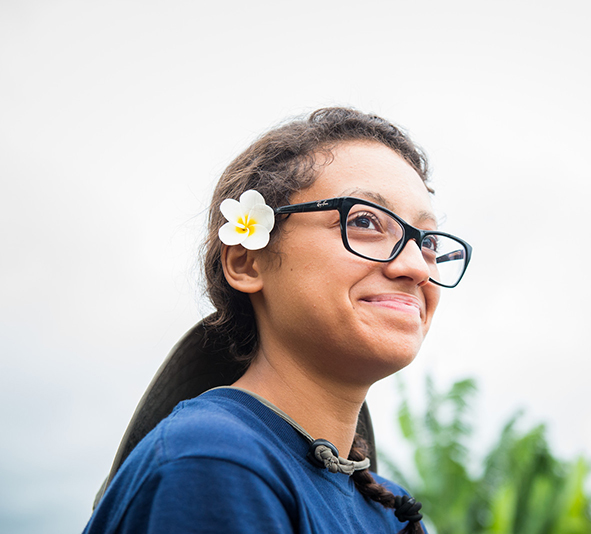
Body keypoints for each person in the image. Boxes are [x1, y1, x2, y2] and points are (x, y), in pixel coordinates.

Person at [84, 107, 472, 534]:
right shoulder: (216, 463)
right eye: (365, 221)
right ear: (248, 262)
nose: (417, 266)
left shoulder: (387, 509)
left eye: (428, 241)